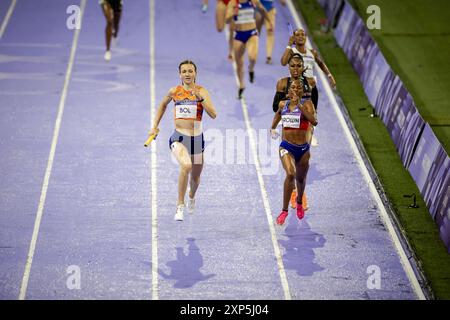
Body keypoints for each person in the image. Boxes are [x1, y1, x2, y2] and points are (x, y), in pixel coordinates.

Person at [147, 60, 217, 221]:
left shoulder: (202, 91)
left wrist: (201, 99)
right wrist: (155, 126)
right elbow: (162, 106)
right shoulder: (174, 91)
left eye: (190, 71)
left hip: (197, 140)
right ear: (180, 74)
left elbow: (213, 114)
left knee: (195, 179)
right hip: (178, 137)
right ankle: (180, 205)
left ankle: (191, 196)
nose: (187, 74)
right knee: (186, 165)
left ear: (195, 74)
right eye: (184, 71)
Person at [270, 79, 317, 225]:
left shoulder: (307, 104)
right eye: (292, 88)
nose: (295, 90)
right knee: (290, 173)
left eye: (298, 88)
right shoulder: (283, 104)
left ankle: (299, 202)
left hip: (302, 149)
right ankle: (284, 210)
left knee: (301, 180)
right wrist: (272, 127)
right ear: (288, 91)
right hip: (286, 146)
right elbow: (278, 114)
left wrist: (300, 106)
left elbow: (314, 121)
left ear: (302, 91)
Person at [280, 28, 335, 145]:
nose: (300, 36)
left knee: (312, 115)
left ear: (306, 38)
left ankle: (310, 136)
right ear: (294, 38)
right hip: (295, 89)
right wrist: (289, 45)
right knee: (292, 114)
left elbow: (320, 63)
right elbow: (283, 62)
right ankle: (287, 138)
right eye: (297, 35)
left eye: (303, 34)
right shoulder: (292, 51)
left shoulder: (312, 52)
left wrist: (330, 76)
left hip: (310, 90)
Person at [273, 53, 311, 210]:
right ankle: (294, 194)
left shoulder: (309, 83)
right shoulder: (282, 83)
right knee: (291, 169)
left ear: (302, 67)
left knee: (301, 166)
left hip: (305, 124)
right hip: (288, 121)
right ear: (289, 67)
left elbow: (313, 103)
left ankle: (301, 195)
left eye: (298, 66)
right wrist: (287, 104)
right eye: (292, 66)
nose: (295, 69)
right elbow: (275, 106)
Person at [226, 0, 273, 99]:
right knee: (239, 64)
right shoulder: (232, 3)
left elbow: (263, 10)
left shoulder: (253, 1)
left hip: (252, 33)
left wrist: (269, 22)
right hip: (239, 35)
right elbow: (227, 20)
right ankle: (242, 85)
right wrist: (233, 14)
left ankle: (251, 69)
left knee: (253, 57)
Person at [255, 0, 286, 65]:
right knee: (257, 33)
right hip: (259, 10)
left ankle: (269, 57)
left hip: (270, 10)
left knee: (270, 32)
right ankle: (253, 52)